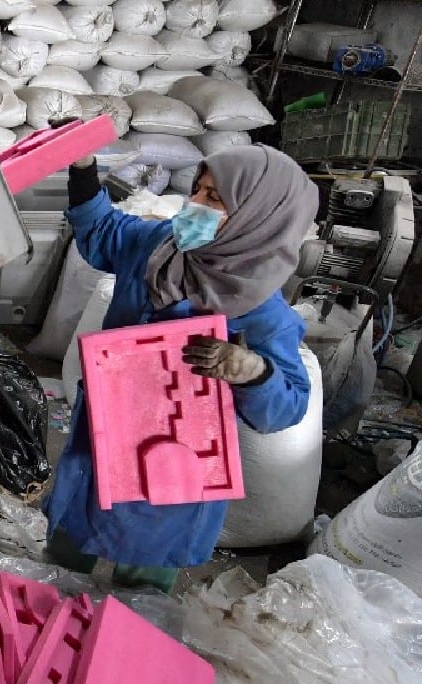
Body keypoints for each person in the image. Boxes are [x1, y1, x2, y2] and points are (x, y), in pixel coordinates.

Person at [43, 145, 319, 592]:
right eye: (198, 190)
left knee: (140, 587)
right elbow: (102, 231)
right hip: (107, 433)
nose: (196, 205)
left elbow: (287, 407)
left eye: (215, 198)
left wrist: (252, 371)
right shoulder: (160, 248)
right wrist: (82, 168)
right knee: (66, 552)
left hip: (175, 461)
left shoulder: (262, 310)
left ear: (258, 215)